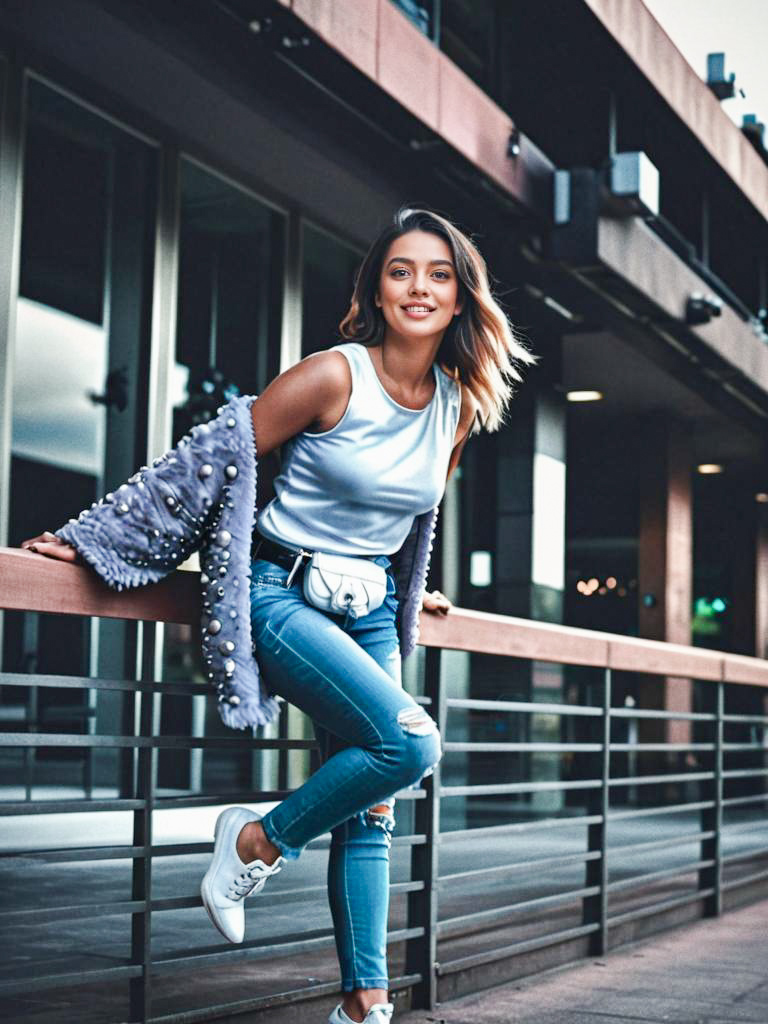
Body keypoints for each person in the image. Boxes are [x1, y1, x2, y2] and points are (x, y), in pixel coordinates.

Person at [22, 206, 534, 1024]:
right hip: (277, 592)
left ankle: (365, 1005)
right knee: (409, 743)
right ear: (375, 285)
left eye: (439, 274)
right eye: (401, 270)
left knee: (375, 807)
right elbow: (208, 461)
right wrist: (98, 537)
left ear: (462, 296)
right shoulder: (333, 375)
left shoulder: (458, 405)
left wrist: (413, 585)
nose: (419, 287)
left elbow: (408, 515)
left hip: (368, 604)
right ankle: (257, 841)